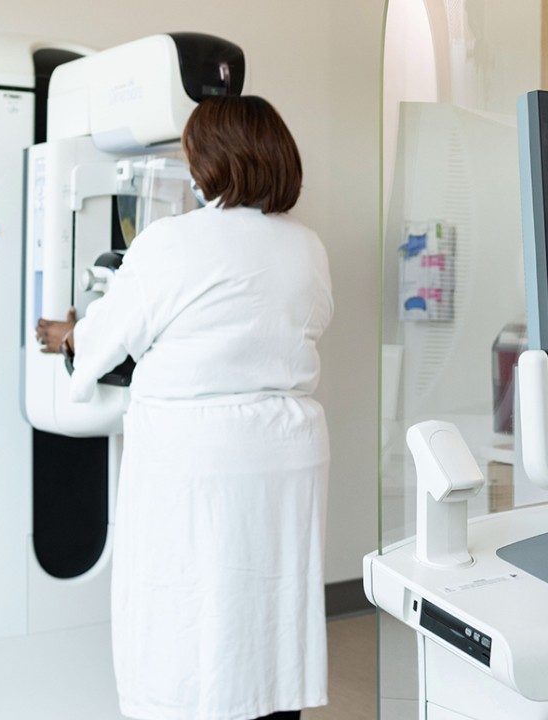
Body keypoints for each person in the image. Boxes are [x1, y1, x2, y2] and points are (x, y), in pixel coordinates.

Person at [36, 96, 333, 720]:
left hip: (198, 459)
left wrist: (71, 336)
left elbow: (109, 334)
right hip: (287, 452)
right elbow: (302, 324)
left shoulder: (171, 241)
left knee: (188, 616)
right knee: (271, 609)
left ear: (210, 159)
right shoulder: (306, 245)